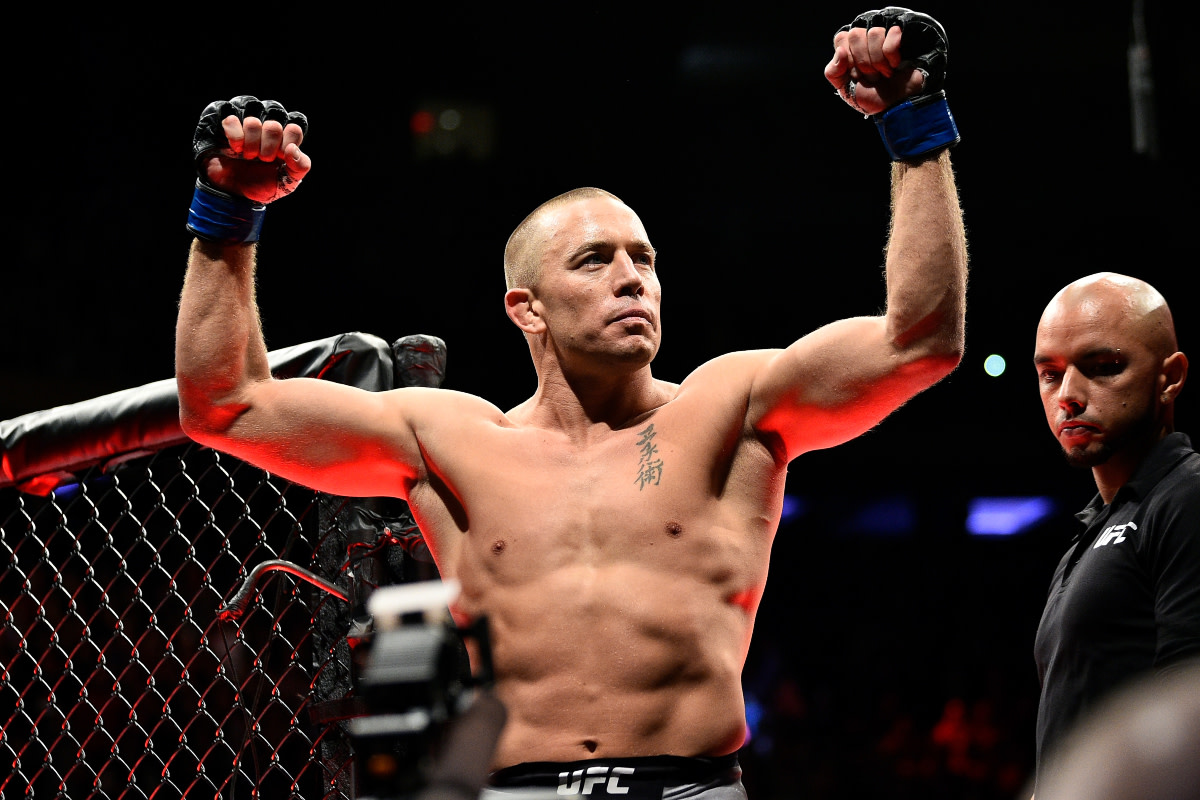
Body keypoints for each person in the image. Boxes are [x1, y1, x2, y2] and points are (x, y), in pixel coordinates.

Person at [175, 8, 967, 797]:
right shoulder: (449, 439)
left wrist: (913, 121)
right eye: (595, 261)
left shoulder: (732, 408)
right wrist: (230, 213)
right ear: (528, 308)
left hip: (688, 783)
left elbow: (920, 340)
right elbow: (224, 406)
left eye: (645, 260)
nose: (633, 278)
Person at [1030, 272, 1200, 796]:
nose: (1069, 396)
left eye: (1103, 368)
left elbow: (1189, 715)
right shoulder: (1092, 530)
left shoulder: (1186, 497)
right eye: (1050, 374)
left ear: (1170, 377)